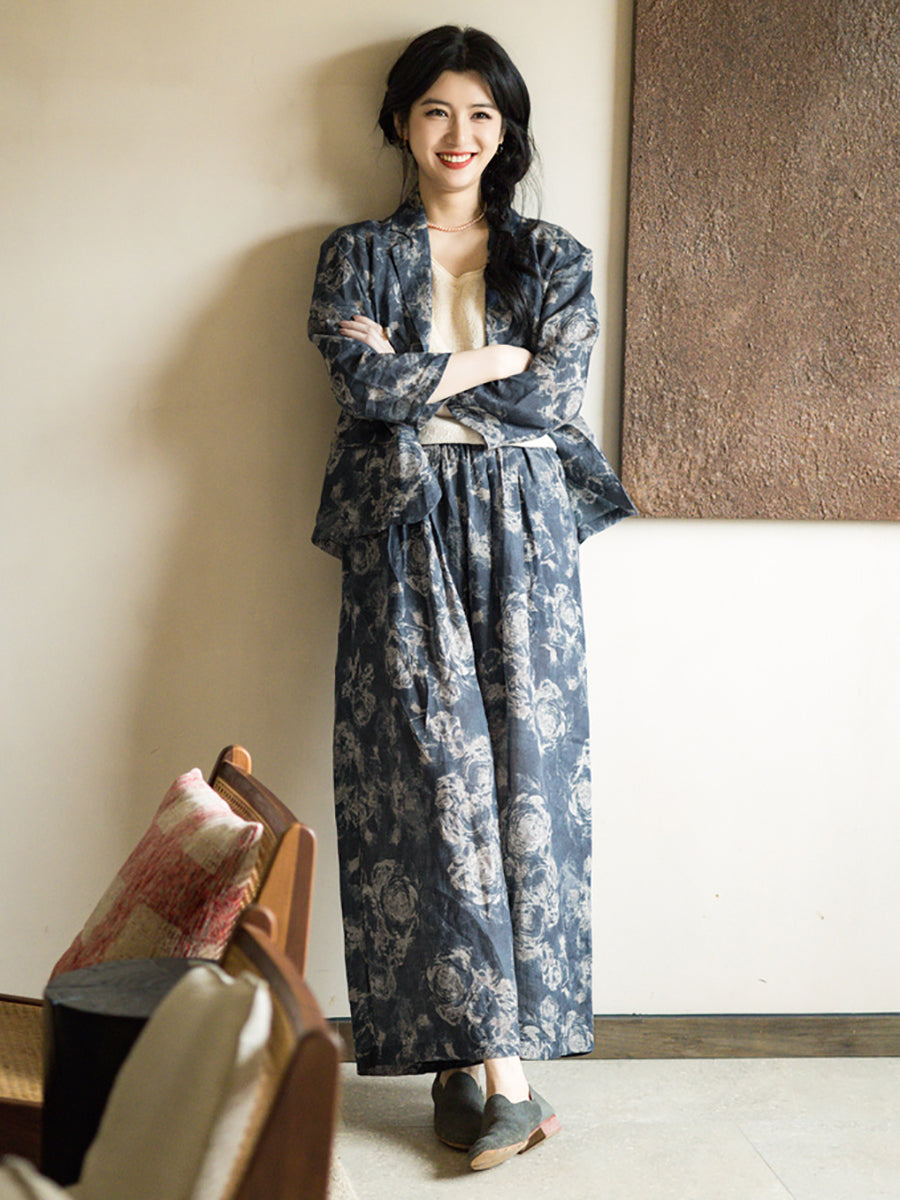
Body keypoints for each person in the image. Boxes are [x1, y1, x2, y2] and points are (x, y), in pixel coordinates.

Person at [308, 24, 635, 1172]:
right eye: (438, 110)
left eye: (482, 114)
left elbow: (555, 398)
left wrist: (429, 377)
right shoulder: (355, 253)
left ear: (508, 131)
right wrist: (492, 361)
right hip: (402, 529)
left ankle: (481, 1068)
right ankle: (504, 1076)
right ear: (402, 122)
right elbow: (360, 384)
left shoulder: (553, 257)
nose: (460, 135)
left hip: (527, 532)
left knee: (525, 787)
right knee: (426, 785)